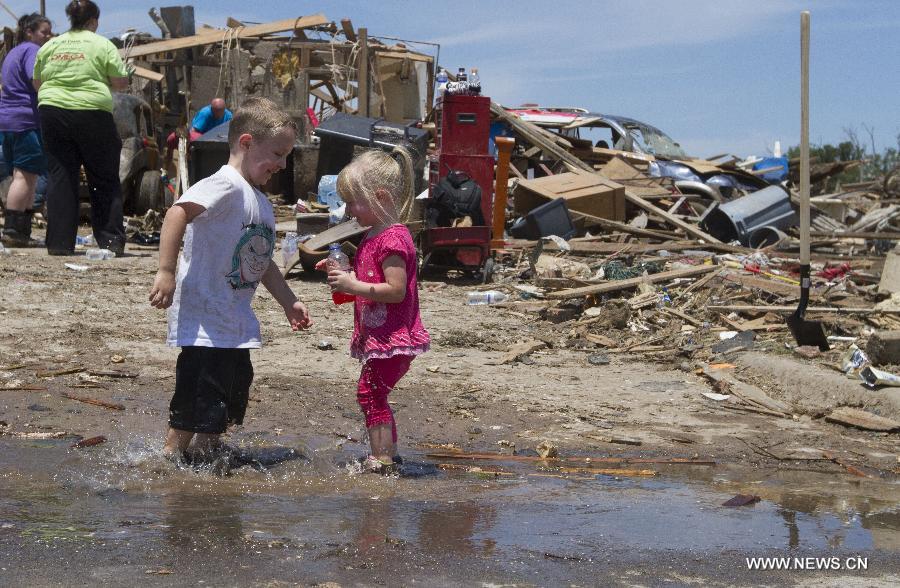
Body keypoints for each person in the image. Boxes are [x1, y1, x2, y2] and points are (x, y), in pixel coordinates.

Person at [149, 97, 311, 466]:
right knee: (198, 393)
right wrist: (166, 271)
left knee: (227, 393)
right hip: (206, 319)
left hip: (234, 321)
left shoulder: (258, 200)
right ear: (247, 142)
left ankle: (205, 452)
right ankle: (170, 458)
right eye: (278, 154)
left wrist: (288, 300)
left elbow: (261, 259)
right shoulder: (223, 185)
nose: (283, 165)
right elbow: (177, 213)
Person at [326, 148, 430, 475]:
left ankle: (383, 460)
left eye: (354, 201)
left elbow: (396, 290)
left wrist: (353, 285)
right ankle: (389, 455)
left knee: (370, 392)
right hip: (380, 334)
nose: (348, 209)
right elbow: (368, 277)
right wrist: (342, 274)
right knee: (373, 392)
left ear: (381, 197)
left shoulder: (394, 239)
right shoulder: (372, 235)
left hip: (395, 337)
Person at [33, 0, 130, 256]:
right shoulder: (101, 44)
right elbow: (120, 82)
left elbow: (37, 82)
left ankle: (58, 244)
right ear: (94, 21)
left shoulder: (51, 44)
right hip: (92, 112)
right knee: (103, 176)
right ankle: (110, 241)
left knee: (61, 176)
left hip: (52, 109)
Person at [0, 13, 52, 247]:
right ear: (30, 32)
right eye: (44, 31)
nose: (48, 36)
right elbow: (36, 80)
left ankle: (22, 232)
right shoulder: (32, 50)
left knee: (26, 177)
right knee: (24, 176)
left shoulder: (13, 52)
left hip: (8, 120)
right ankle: (12, 230)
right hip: (25, 120)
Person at [165, 97, 232, 167]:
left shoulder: (229, 116)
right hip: (204, 142)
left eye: (220, 113)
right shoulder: (205, 114)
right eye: (215, 112)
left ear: (224, 110)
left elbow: (232, 133)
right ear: (211, 109)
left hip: (220, 143)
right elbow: (193, 131)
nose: (217, 116)